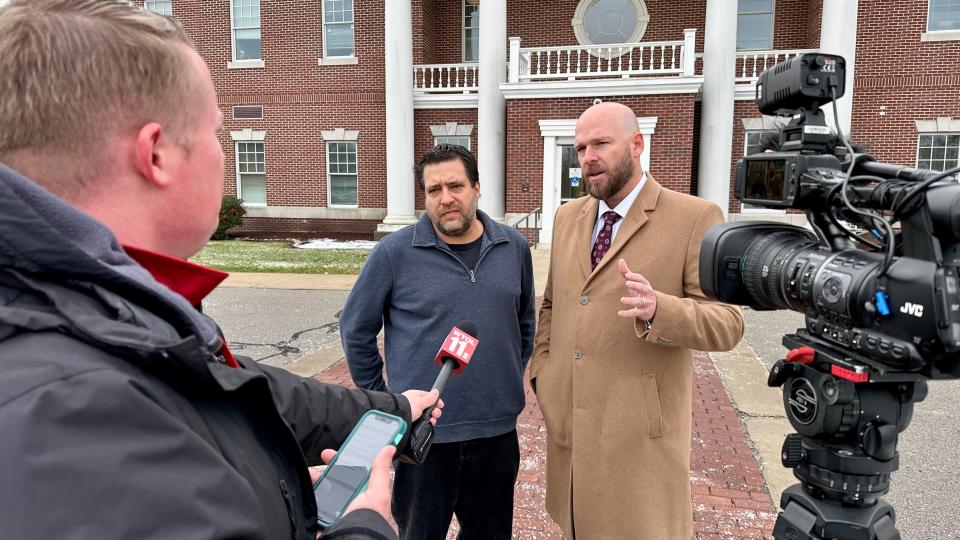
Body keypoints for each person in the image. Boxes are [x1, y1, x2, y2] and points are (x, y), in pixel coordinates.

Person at [0, 2, 441, 539]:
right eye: (214, 130)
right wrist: (365, 527)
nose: (222, 153)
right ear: (157, 154)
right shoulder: (74, 407)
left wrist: (388, 410)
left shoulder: (95, 303)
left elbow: (231, 386)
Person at [530, 102, 745, 539]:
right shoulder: (567, 216)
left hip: (638, 441)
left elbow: (728, 322)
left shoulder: (694, 218)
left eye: (601, 144)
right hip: (570, 424)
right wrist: (544, 374)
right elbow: (553, 303)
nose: (588, 156)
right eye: (581, 147)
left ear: (636, 144)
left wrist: (660, 310)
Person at [340, 144, 536, 540]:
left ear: (477, 187)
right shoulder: (394, 253)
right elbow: (355, 329)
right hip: (423, 438)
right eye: (433, 190)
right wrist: (387, 402)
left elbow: (524, 322)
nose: (446, 198)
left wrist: (502, 378)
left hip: (495, 436)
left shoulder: (512, 248)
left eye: (456, 185)